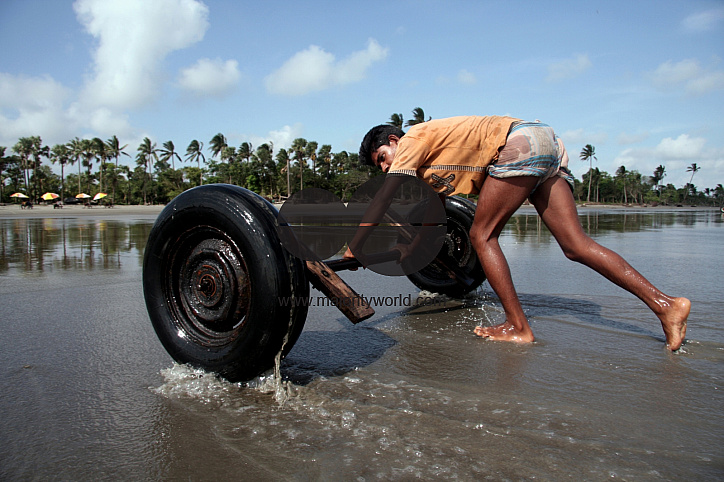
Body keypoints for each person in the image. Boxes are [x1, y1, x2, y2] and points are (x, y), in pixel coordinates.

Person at [345, 116, 690, 350]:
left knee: (482, 235)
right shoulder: (429, 166)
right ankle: (667, 306)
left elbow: (382, 200)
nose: (386, 166)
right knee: (575, 245)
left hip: (519, 142)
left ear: (393, 141)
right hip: (545, 141)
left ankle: (517, 326)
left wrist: (354, 248)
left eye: (382, 158)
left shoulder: (413, 139)